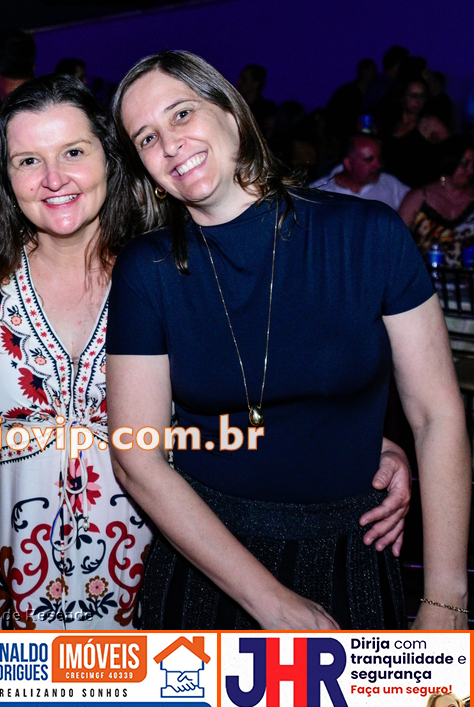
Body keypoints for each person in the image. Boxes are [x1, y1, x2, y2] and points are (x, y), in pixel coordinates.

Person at [108, 50, 469, 630]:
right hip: (207, 559)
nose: (170, 144)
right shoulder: (147, 269)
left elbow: (437, 416)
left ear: (232, 113)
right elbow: (135, 455)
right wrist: (272, 602)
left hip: (355, 547)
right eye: (146, 138)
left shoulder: (368, 235)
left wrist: (445, 600)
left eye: (181, 114)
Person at [0, 74, 151, 629]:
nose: (53, 179)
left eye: (73, 152)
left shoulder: (166, 275)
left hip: (142, 596)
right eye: (28, 161)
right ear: (4, 177)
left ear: (109, 157)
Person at [399, 136, 474, 266]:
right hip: (425, 276)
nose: (470, 171)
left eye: (473, 165)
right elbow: (396, 241)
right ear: (449, 161)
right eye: (464, 164)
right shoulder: (419, 198)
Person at [310, 133, 410, 211]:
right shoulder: (318, 193)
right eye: (369, 159)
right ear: (348, 163)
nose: (378, 165)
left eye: (379, 159)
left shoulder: (389, 183)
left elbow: (415, 200)